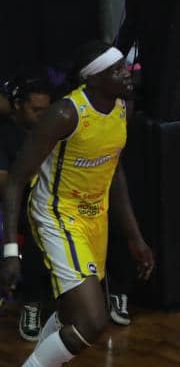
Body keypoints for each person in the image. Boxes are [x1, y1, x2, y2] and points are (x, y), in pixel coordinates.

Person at [1, 43, 155, 367]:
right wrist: (11, 250)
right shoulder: (66, 114)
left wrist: (134, 237)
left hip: (93, 215)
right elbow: (15, 179)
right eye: (116, 70)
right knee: (92, 321)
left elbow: (115, 173)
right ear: (93, 80)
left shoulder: (123, 108)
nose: (126, 73)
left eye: (124, 67)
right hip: (57, 214)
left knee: (71, 316)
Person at [0, 73, 54, 342]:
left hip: (56, 203)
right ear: (18, 105)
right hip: (17, 207)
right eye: (36, 110)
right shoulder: (6, 136)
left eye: (47, 110)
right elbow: (6, 185)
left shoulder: (54, 132)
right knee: (36, 225)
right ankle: (31, 305)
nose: (42, 117)